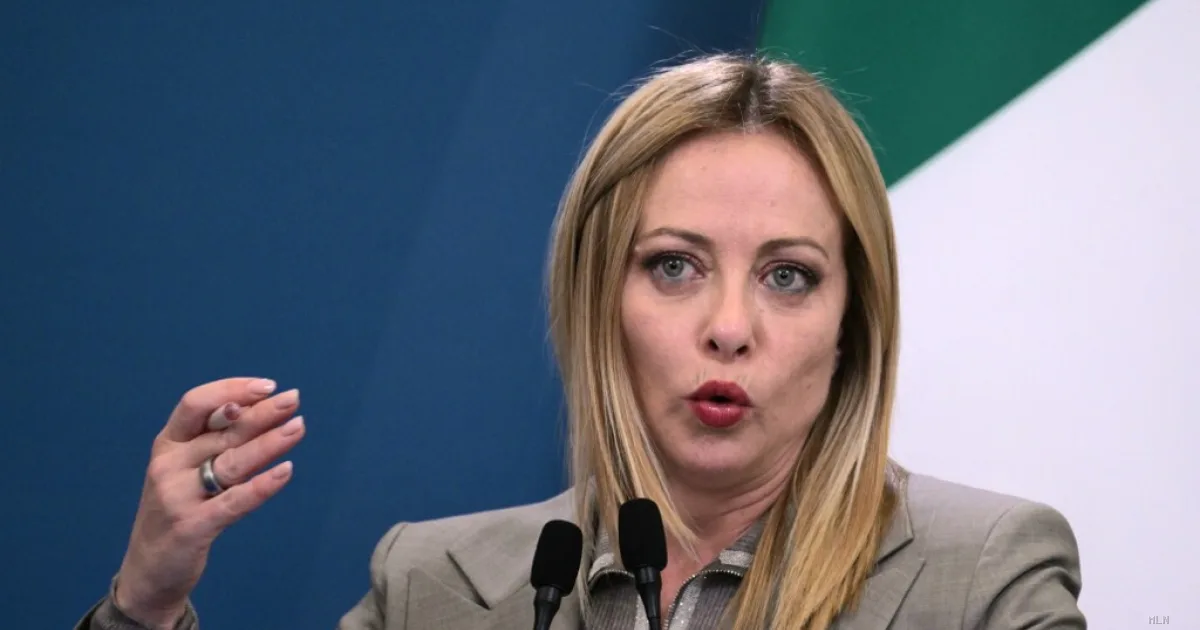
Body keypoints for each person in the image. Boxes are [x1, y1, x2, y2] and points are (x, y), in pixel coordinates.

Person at [76, 53, 1085, 630]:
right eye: (675, 266)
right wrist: (147, 603)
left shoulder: (982, 579)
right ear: (599, 296)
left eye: (788, 276)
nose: (729, 328)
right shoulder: (435, 585)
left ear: (852, 325)